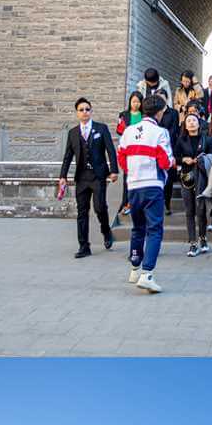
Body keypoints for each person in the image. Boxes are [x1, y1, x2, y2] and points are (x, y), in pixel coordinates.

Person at [116, 90, 174, 294]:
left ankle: (135, 268)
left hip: (133, 185)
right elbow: (165, 161)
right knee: (155, 229)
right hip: (152, 184)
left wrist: (133, 172)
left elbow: (121, 157)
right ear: (159, 112)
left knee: (137, 228)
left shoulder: (129, 131)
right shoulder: (160, 132)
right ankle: (147, 274)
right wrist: (171, 162)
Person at [57, 95, 118, 260]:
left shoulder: (101, 128)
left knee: (99, 207)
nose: (85, 112)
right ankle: (84, 246)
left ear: (91, 111)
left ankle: (106, 230)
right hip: (82, 177)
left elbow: (110, 150)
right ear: (77, 113)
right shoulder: (73, 133)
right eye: (81, 110)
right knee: (82, 212)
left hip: (98, 176)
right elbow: (68, 156)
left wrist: (114, 170)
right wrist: (63, 176)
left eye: (87, 109)